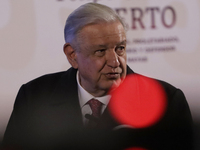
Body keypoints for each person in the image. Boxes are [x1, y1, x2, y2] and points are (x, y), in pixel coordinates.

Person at [2, 2, 193, 150]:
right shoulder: (34, 97)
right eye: (100, 51)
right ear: (72, 55)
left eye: (120, 49)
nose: (115, 62)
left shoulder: (167, 101)